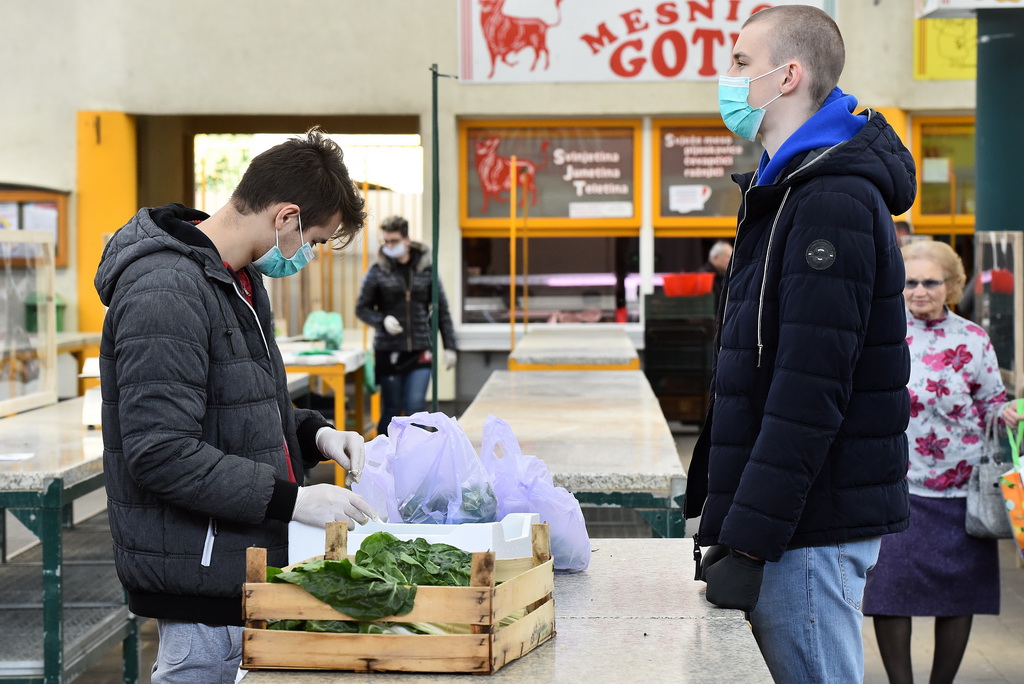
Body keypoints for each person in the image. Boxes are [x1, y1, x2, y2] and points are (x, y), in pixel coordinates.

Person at [94, 128, 379, 683]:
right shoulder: (164, 289)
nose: (310, 256)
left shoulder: (237, 280)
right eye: (315, 241)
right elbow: (162, 452)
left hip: (241, 562)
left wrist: (316, 434)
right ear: (286, 218)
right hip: (202, 577)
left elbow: (237, 408)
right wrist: (293, 501)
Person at [683, 5, 917, 681]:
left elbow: (809, 390)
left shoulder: (829, 200)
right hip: (789, 519)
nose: (727, 80)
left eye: (739, 64)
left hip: (805, 529)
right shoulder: (783, 188)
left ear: (788, 76)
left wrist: (752, 539)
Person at [863, 240, 1014, 684]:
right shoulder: (880, 332)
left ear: (952, 285)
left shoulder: (972, 338)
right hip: (895, 486)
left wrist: (1003, 412)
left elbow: (991, 402)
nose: (919, 291)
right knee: (889, 594)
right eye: (910, 282)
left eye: (931, 282)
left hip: (961, 487)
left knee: (958, 593)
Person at [355, 216, 458, 435]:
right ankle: (386, 457)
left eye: (394, 241)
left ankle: (419, 457)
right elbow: (361, 308)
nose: (389, 246)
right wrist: (381, 320)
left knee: (415, 407)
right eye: (386, 242)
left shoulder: (427, 270)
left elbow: (442, 311)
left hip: (421, 349)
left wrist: (450, 346)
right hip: (389, 350)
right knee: (392, 409)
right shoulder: (377, 272)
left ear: (407, 240)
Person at [699, 239, 733, 304]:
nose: (731, 261)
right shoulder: (704, 276)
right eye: (728, 257)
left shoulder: (724, 276)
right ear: (715, 257)